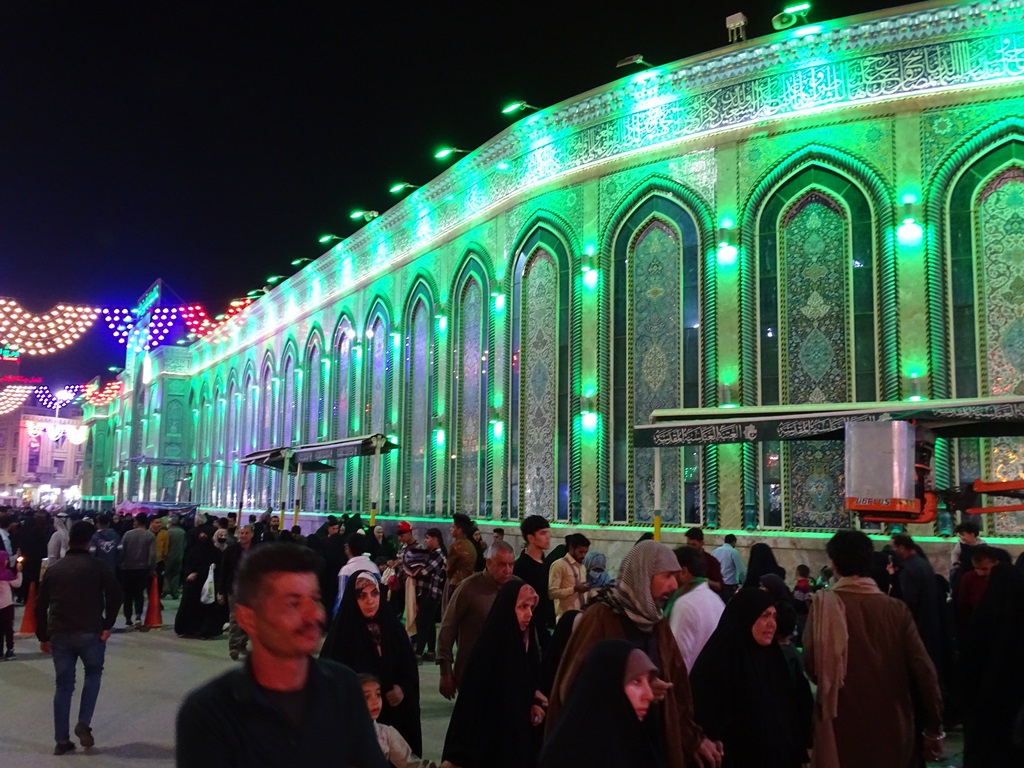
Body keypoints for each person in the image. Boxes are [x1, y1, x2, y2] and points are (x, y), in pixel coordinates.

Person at [176, 544, 387, 767]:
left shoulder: (343, 689)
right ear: (248, 618)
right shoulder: (212, 713)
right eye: (293, 603)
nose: (314, 614)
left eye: (315, 599)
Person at [548, 539, 722, 768]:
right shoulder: (601, 617)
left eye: (675, 577)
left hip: (651, 744)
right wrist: (634, 688)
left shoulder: (657, 624)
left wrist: (693, 738)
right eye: (666, 576)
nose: (673, 586)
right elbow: (574, 688)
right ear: (643, 574)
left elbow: (677, 689)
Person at [804, 529, 943, 767]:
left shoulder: (821, 608)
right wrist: (933, 727)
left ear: (834, 564)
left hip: (841, 727)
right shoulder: (895, 610)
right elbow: (923, 671)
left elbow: (812, 667)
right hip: (892, 725)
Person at [689, 589, 811, 768]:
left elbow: (788, 715)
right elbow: (705, 720)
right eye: (764, 616)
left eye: (774, 616)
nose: (772, 624)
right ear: (745, 618)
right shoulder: (717, 664)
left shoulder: (774, 659)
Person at [35, 520, 123, 755]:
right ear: (89, 541)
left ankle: (61, 740)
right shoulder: (97, 567)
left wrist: (42, 635)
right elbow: (116, 594)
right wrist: (108, 625)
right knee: (93, 675)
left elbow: (40, 604)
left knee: (63, 686)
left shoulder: (54, 569)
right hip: (90, 632)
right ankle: (83, 722)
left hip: (60, 633)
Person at [441, 580, 544, 768]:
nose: (528, 614)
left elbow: (531, 680)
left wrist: (533, 702)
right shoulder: (488, 649)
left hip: (518, 737)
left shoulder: (527, 644)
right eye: (522, 607)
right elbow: (473, 708)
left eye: (531, 607)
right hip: (490, 741)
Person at [321, 572, 423, 755]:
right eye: (362, 596)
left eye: (374, 593)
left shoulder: (393, 628)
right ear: (353, 599)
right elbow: (329, 682)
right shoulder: (342, 635)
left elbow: (408, 668)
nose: (370, 601)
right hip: (357, 723)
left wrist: (403, 689)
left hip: (394, 716)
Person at [539, 639, 666, 768]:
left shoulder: (643, 745)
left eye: (649, 681)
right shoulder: (567, 756)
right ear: (607, 685)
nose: (649, 695)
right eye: (636, 682)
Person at [960, 561, 1024, 767]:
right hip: (1014, 702)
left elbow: (969, 660)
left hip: (984, 700)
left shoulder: (984, 614)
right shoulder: (1019, 615)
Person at [437, 540, 516, 698]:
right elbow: (448, 628)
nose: (507, 570)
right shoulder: (469, 587)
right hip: (472, 671)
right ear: (488, 563)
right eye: (502, 565)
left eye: (511, 565)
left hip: (508, 672)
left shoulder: (517, 587)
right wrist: (445, 672)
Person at [360, 673, 437, 768]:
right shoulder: (342, 735)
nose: (375, 702)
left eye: (378, 695)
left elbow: (410, 763)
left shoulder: (386, 733)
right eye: (367, 697)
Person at [889, 533, 942, 672]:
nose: (893, 552)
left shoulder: (908, 569)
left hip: (918, 622)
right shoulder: (923, 564)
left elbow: (909, 600)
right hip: (930, 620)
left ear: (901, 547)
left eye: (894, 548)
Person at [667, 545, 724, 671]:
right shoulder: (716, 600)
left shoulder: (685, 604)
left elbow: (678, 660)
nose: (669, 582)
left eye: (670, 574)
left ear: (683, 572)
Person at [174, 525, 223, 638]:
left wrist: (196, 573)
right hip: (196, 586)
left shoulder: (213, 552)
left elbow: (217, 566)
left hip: (204, 585)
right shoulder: (200, 551)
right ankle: (192, 629)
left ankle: (203, 630)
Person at [407, 527, 446, 659]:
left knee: (423, 622)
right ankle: (430, 651)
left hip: (431, 593)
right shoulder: (429, 553)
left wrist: (412, 568)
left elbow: (424, 571)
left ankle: (418, 652)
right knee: (429, 623)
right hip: (425, 592)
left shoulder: (439, 555)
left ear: (435, 539)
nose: (425, 540)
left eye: (428, 538)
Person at [513, 515, 554, 639]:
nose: (547, 537)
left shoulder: (544, 560)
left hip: (544, 622)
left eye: (547, 533)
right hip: (530, 624)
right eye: (542, 533)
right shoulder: (522, 566)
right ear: (531, 538)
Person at [218, 525, 254, 660]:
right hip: (234, 589)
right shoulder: (232, 550)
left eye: (246, 533)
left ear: (251, 535)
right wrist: (221, 591)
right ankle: (233, 646)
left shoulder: (257, 550)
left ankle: (242, 643)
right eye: (242, 533)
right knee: (234, 618)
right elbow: (224, 571)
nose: (244, 535)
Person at [119, 512, 155, 630]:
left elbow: (122, 551)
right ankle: (138, 616)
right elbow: (152, 554)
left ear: (136, 522)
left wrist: (120, 564)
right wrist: (152, 568)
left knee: (127, 595)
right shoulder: (150, 536)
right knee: (139, 593)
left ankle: (128, 619)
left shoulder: (127, 535)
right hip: (142, 568)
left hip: (127, 568)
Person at [547, 532, 590, 621]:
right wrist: (574, 589)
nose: (583, 555)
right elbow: (552, 593)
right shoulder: (559, 565)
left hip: (581, 617)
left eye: (585, 552)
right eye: (581, 552)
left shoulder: (582, 567)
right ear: (571, 548)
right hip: (565, 619)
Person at [335, 533, 380, 616]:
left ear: (347, 548)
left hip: (352, 617)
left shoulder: (346, 570)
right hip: (373, 613)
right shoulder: (373, 567)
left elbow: (342, 599)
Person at [684, 527, 724, 595]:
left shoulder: (711, 561)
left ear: (702, 543)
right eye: (688, 544)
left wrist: (704, 581)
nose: (690, 548)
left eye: (694, 544)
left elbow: (719, 586)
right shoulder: (682, 558)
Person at [446, 513, 477, 596]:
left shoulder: (456, 546)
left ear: (459, 530)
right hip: (468, 583)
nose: (450, 529)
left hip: (455, 584)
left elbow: (449, 569)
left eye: (453, 527)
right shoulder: (470, 544)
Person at [0, 549, 24, 659]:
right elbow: (17, 584)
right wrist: (19, 571)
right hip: (7, 606)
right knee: (8, 629)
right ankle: (9, 650)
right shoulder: (6, 573)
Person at [710, 533, 746, 601]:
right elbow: (741, 570)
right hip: (729, 585)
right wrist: (744, 582)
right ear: (734, 542)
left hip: (717, 583)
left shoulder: (715, 551)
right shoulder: (733, 552)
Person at [164, 514, 186, 599]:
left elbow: (166, 545)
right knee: (176, 574)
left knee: (167, 574)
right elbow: (184, 545)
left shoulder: (168, 532)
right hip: (179, 556)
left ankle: (166, 589)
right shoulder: (182, 532)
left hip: (169, 556)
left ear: (171, 523)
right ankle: (175, 592)